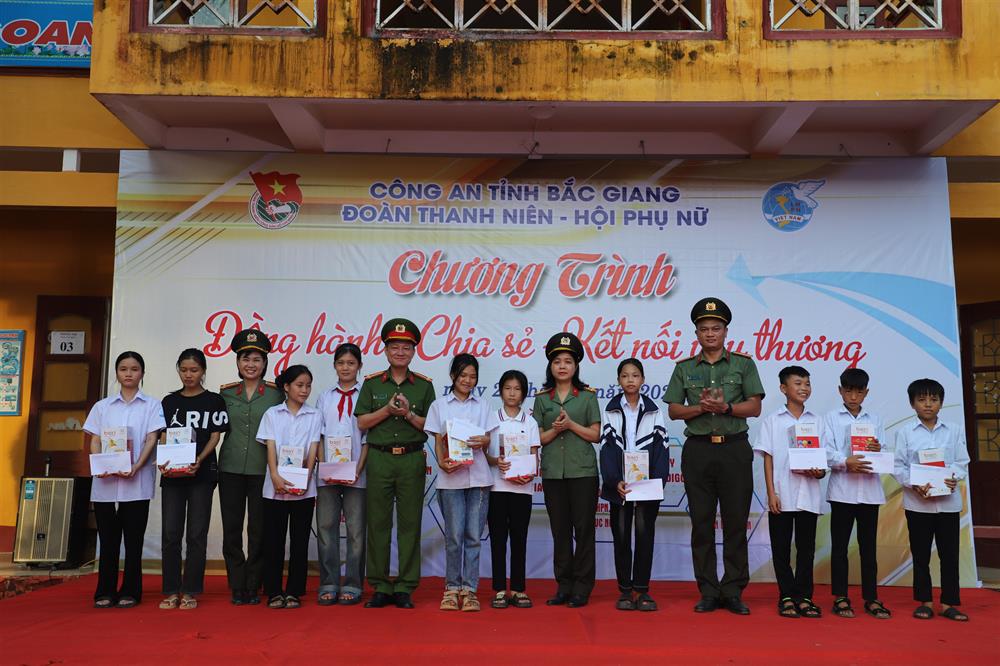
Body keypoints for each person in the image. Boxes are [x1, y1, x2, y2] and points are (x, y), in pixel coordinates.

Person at [664, 297, 764, 615]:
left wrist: (727, 408)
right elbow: (674, 409)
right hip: (699, 451)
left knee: (735, 523)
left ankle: (733, 590)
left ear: (725, 331)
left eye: (716, 328)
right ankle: (708, 590)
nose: (710, 333)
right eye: (704, 329)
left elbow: (755, 406)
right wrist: (700, 409)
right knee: (702, 523)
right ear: (696, 333)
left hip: (734, 448)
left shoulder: (743, 364)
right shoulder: (684, 368)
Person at [355, 318, 436, 609]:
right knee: (376, 523)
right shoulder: (372, 384)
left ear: (414, 351)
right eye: (394, 347)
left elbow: (432, 426)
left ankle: (404, 586)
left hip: (412, 459)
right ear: (385, 350)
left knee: (409, 524)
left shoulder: (424, 386)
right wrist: (388, 410)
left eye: (406, 347)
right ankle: (378, 585)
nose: (400, 352)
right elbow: (362, 422)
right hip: (378, 458)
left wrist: (408, 416)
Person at [83, 351, 165, 608]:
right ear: (117, 373)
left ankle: (131, 590)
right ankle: (104, 591)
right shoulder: (102, 406)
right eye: (123, 369)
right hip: (105, 483)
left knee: (133, 540)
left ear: (142, 373)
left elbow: (152, 439)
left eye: (134, 369)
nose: (129, 374)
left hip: (136, 482)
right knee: (107, 539)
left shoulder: (152, 405)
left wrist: (137, 466)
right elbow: (95, 439)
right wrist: (101, 464)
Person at [532, 332, 602, 608]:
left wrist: (571, 425)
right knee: (559, 531)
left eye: (568, 361)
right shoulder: (541, 398)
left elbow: (596, 435)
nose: (562, 366)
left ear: (576, 366)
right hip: (553, 474)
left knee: (583, 530)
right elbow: (536, 438)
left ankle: (582, 588)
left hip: (583, 472)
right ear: (550, 366)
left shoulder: (586, 397)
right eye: (557, 361)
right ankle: (564, 585)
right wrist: (556, 429)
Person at [893, 378, 971, 622]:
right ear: (912, 404)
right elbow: (898, 466)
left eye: (933, 399)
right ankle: (924, 602)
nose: (928, 404)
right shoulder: (904, 432)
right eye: (922, 399)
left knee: (949, 555)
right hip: (918, 504)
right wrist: (913, 483)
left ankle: (949, 602)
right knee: (920, 554)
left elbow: (962, 462)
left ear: (941, 403)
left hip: (948, 504)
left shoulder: (954, 429)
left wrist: (952, 478)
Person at [158, 348, 229, 610]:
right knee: (170, 533)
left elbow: (215, 435)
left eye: (194, 370)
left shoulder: (214, 401)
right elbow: (163, 435)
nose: (189, 375)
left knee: (197, 534)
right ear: (178, 370)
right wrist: (163, 460)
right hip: (173, 475)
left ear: (203, 372)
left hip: (202, 474)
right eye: (184, 370)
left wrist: (199, 459)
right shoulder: (168, 402)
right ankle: (170, 590)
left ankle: (190, 590)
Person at [754, 365, 825, 619]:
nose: (803, 388)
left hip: (808, 493)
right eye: (798, 383)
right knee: (781, 548)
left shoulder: (817, 420)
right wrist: (771, 493)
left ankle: (804, 597)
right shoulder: (773, 421)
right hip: (782, 494)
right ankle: (786, 596)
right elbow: (768, 459)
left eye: (807, 383)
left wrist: (818, 471)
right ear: (784, 389)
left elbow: (822, 460)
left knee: (806, 549)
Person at [218, 329, 283, 606]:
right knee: (232, 528)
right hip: (230, 467)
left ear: (265, 362)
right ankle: (236, 583)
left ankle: (254, 583)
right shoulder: (225, 393)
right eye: (245, 358)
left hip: (262, 469)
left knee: (259, 529)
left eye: (256, 359)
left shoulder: (276, 394)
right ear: (237, 361)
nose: (251, 364)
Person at [599, 358, 668, 612]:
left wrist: (654, 482)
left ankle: (642, 590)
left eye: (635, 375)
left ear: (642, 380)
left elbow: (662, 449)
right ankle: (625, 591)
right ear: (618, 380)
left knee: (644, 535)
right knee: (622, 537)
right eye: (625, 375)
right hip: (620, 486)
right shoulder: (610, 410)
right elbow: (606, 450)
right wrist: (614, 480)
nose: (630, 380)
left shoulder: (654, 410)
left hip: (646, 487)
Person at [425, 354, 492, 612]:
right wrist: (441, 461)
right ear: (453, 376)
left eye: (472, 376)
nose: (468, 380)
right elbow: (438, 440)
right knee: (454, 536)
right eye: (463, 375)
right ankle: (452, 588)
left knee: (473, 536)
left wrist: (482, 441)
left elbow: (487, 438)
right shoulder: (439, 405)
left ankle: (470, 590)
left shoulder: (482, 405)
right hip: (450, 478)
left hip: (478, 478)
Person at [822, 367, 891, 620]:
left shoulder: (875, 420)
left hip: (870, 493)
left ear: (866, 393)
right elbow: (827, 452)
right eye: (848, 391)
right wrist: (844, 461)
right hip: (842, 491)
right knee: (839, 547)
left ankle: (871, 598)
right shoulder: (830, 418)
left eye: (859, 392)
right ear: (840, 391)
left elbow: (882, 453)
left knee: (868, 548)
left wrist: (876, 449)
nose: (853, 396)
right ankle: (840, 597)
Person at [257, 364, 321, 609]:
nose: (304, 390)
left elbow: (313, 449)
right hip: (274, 487)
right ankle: (273, 590)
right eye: (299, 385)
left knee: (300, 540)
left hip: (304, 487)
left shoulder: (315, 415)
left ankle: (294, 590)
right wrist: (274, 475)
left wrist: (306, 476)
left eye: (308, 386)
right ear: (286, 387)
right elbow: (270, 446)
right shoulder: (272, 414)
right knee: (273, 540)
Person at [314, 343, 369, 606]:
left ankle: (354, 584)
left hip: (357, 472)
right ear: (334, 366)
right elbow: (318, 434)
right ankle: (329, 582)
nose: (345, 368)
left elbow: (369, 437)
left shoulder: (366, 395)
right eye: (340, 363)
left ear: (359, 366)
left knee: (357, 531)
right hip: (327, 474)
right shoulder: (324, 397)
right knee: (326, 528)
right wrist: (324, 467)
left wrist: (358, 468)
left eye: (351, 363)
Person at [485, 370, 540, 609]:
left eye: (517, 389)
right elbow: (483, 455)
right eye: (508, 388)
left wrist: (528, 473)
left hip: (522, 490)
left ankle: (518, 589)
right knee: (498, 539)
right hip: (497, 488)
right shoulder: (491, 419)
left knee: (519, 539)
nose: (512, 393)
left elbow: (535, 457)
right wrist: (497, 462)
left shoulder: (530, 422)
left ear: (524, 393)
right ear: (501, 390)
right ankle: (499, 589)